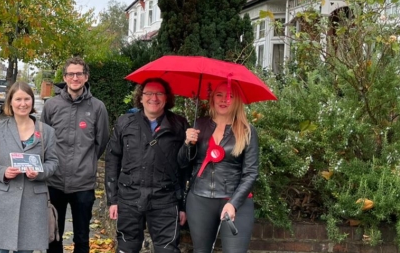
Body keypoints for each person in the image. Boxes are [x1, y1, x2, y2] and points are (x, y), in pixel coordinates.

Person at [105, 78, 190, 253]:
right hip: (129, 197)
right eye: (148, 93)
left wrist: (182, 206)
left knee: (167, 249)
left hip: (165, 198)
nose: (154, 98)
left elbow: (185, 168)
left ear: (167, 98)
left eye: (159, 93)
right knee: (127, 246)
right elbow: (112, 159)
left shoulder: (179, 125)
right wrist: (113, 200)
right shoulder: (125, 122)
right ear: (140, 97)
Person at [181, 81, 259, 253]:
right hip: (200, 198)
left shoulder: (247, 131)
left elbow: (251, 173)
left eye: (230, 96)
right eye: (219, 95)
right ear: (212, 99)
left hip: (235, 199)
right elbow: (183, 164)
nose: (224, 100)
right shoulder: (199, 125)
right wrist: (188, 144)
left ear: (237, 100)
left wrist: (234, 203)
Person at [41, 57, 110, 253]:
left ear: (86, 77)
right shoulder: (51, 106)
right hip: (55, 181)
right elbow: (43, 140)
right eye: (71, 74)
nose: (75, 77)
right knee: (53, 236)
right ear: (65, 77)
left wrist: (86, 163)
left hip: (83, 184)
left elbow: (101, 141)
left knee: (82, 237)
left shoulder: (97, 107)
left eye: (79, 73)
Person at [0, 81, 59, 253]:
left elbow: (53, 163)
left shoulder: (46, 131)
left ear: (32, 101)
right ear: (10, 102)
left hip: (33, 203)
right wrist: (3, 171)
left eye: (27, 99)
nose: (23, 104)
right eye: (18, 99)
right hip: (3, 202)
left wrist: (39, 172)